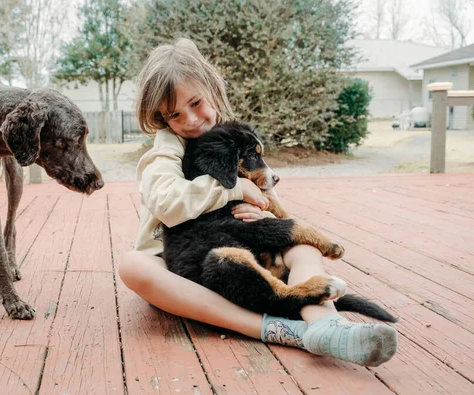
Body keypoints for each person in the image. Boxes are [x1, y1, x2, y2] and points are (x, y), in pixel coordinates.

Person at [119, 38, 397, 367]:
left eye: (196, 103)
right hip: (179, 267)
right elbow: (166, 202)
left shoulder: (231, 136)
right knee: (132, 266)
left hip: (248, 250)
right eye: (175, 114)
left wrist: (261, 207)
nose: (191, 119)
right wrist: (234, 189)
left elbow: (271, 204)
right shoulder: (165, 151)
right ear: (163, 118)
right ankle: (278, 329)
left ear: (212, 89)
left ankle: (324, 323)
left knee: (301, 242)